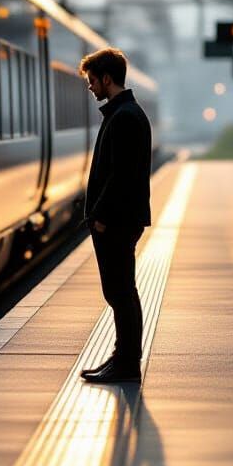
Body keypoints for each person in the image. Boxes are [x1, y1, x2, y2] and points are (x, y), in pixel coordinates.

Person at [77, 47, 152, 384]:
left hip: (117, 221)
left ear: (107, 78)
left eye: (92, 81)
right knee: (120, 292)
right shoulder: (124, 113)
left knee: (121, 292)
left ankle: (126, 364)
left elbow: (120, 175)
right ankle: (121, 359)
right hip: (119, 219)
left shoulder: (124, 117)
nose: (90, 87)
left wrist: (100, 216)